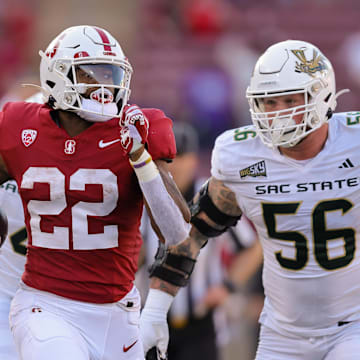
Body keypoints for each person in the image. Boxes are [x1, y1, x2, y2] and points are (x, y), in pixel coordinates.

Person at [140, 39, 360, 360]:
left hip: (352, 325)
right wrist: (156, 311)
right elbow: (192, 233)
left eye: (289, 100)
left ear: (320, 95)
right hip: (283, 334)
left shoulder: (353, 142)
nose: (277, 113)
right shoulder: (242, 156)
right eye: (268, 102)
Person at [0, 25, 192, 360]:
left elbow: (177, 234)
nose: (107, 85)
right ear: (58, 75)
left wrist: (141, 160)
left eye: (112, 74)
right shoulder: (18, 125)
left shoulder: (135, 129)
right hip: (45, 304)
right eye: (93, 74)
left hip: (118, 311)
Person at [139, 122, 262, 360]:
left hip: (199, 323)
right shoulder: (143, 199)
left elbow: (253, 248)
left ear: (193, 159)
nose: (173, 166)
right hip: (148, 318)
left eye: (179, 157)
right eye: (165, 159)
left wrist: (228, 286)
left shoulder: (210, 197)